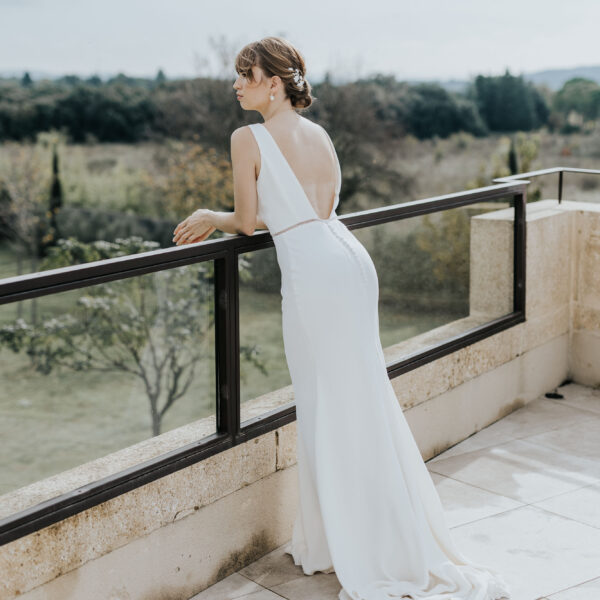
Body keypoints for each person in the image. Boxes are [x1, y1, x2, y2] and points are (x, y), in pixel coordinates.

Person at [173, 36, 511, 600]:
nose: (236, 84)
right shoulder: (319, 134)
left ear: (274, 83)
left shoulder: (247, 137)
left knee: (327, 404)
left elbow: (250, 222)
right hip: (349, 260)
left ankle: (350, 541)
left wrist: (212, 214)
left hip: (313, 275)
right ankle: (353, 534)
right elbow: (323, 207)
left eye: (245, 74)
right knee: (362, 399)